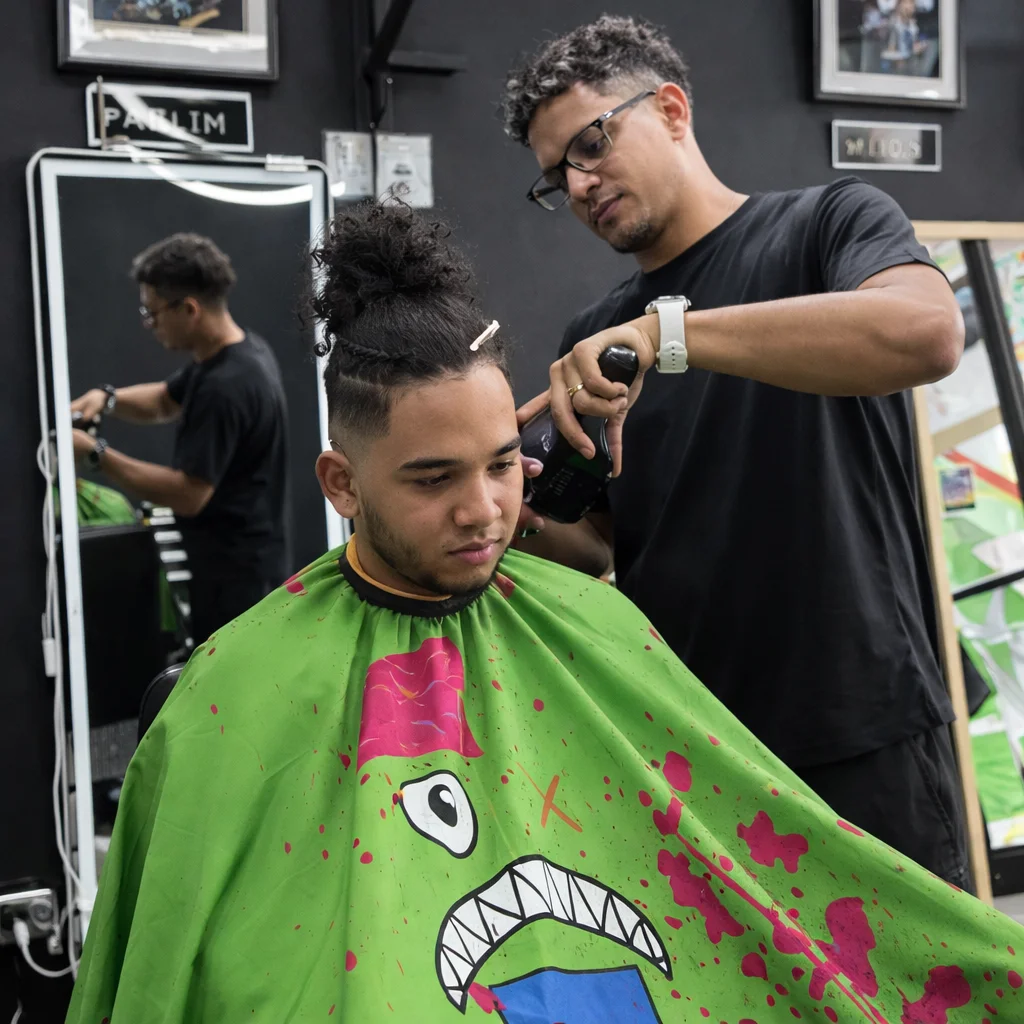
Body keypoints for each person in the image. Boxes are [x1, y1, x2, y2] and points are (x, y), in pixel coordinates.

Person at [67, 202, 1024, 1024]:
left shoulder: (596, 625)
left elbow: (761, 871)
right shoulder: (233, 692)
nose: (484, 510)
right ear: (341, 483)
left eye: (500, 464)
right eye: (433, 479)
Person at [501, 16, 971, 888]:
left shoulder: (827, 225)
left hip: (857, 728)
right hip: (695, 750)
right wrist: (505, 504)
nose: (579, 183)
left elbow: (926, 332)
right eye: (556, 175)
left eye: (592, 143)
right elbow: (600, 544)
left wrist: (668, 335)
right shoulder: (594, 333)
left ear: (672, 109)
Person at [70, 233, 289, 644]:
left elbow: (189, 494)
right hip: (239, 569)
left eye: (152, 313)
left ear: (189, 309)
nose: (149, 324)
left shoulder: (227, 386)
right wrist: (107, 398)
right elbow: (164, 400)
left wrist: (97, 455)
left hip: (237, 586)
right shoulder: (238, 354)